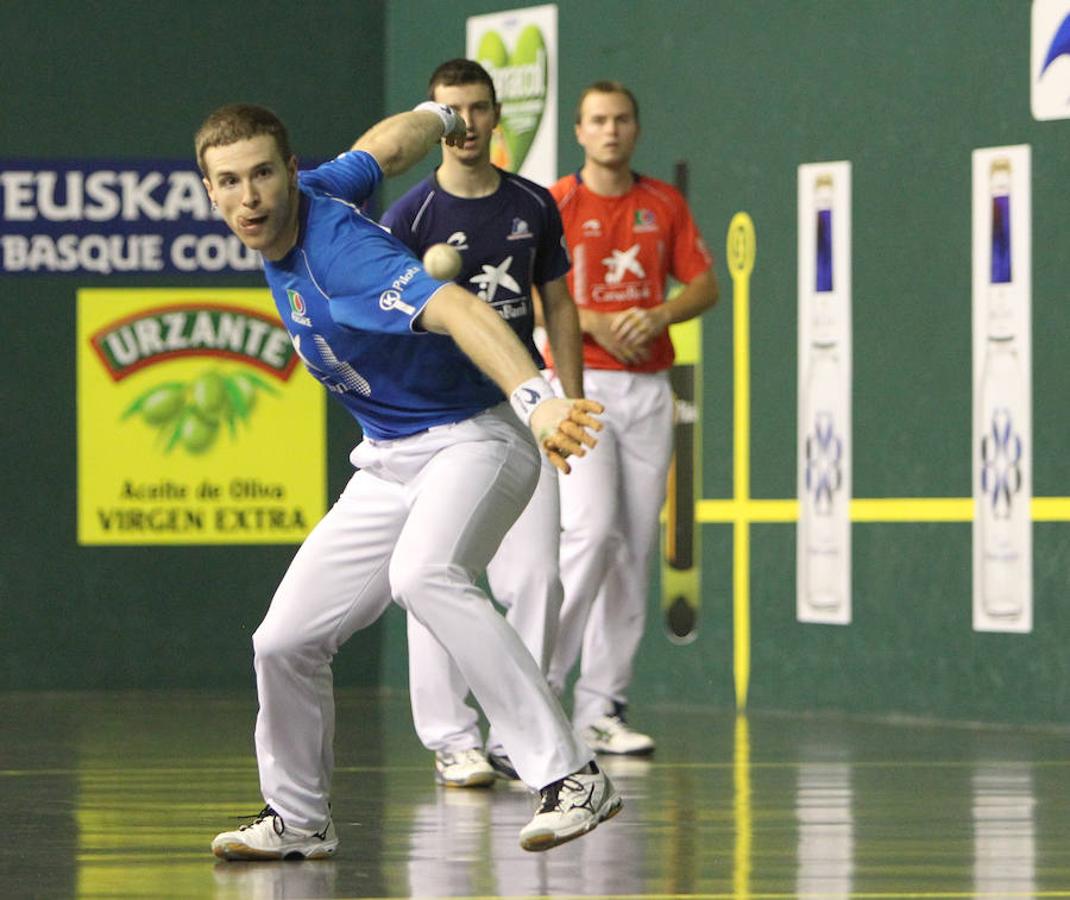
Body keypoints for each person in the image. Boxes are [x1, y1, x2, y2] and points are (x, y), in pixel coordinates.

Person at [195, 100, 621, 859]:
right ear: (210, 190)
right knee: (283, 640)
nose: (249, 197)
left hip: (475, 437)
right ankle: (297, 818)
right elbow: (383, 150)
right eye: (229, 182)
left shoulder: (342, 256)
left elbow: (460, 308)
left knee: (426, 575)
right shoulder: (319, 187)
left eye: (262, 174)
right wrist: (439, 115)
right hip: (388, 458)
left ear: (288, 172)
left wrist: (537, 399)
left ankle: (571, 775)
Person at [380, 59, 584, 789]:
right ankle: (451, 737)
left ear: (498, 116)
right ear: (432, 122)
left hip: (522, 405)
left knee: (537, 576)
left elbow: (557, 303)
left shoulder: (534, 202)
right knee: (438, 572)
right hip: (438, 420)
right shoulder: (408, 218)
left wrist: (570, 391)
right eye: (450, 112)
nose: (465, 124)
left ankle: (516, 735)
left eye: (477, 109)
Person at [544, 81, 718, 755]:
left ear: (635, 130)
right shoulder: (556, 203)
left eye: (621, 120)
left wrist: (658, 313)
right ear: (580, 132)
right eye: (597, 121)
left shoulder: (662, 204)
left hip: (648, 390)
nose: (610, 131)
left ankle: (601, 706)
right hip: (578, 387)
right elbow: (528, 299)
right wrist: (592, 320)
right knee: (588, 533)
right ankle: (536, 693)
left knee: (632, 549)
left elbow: (704, 284)